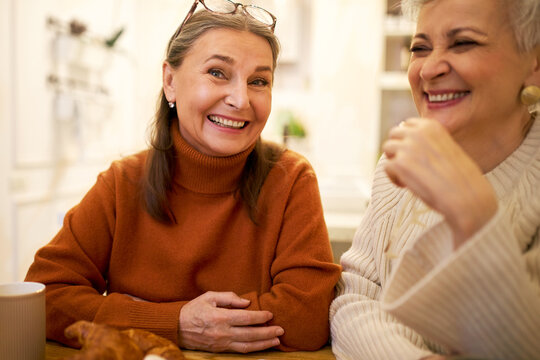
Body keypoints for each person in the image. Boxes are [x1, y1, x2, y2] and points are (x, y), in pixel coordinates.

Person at [26, 0, 341, 353]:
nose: (241, 99)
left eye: (259, 81)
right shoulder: (122, 183)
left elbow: (307, 318)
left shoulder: (291, 178)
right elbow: (44, 298)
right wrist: (175, 323)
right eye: (218, 73)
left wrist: (137, 315)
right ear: (170, 81)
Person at [330, 0, 540, 359]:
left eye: (463, 43)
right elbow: (353, 298)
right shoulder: (397, 165)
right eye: (420, 48)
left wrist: (474, 214)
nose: (428, 69)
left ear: (534, 64)